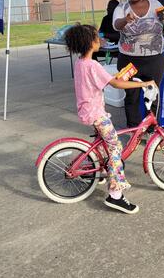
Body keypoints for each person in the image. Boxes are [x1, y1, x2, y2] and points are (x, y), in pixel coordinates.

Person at [64, 23, 155, 214]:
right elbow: (115, 84)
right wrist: (143, 84)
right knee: (115, 148)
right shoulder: (93, 64)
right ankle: (116, 195)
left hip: (87, 110)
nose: (100, 41)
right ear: (90, 43)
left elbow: (104, 79)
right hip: (97, 113)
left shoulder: (81, 63)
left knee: (105, 144)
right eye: (97, 38)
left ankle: (103, 170)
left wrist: (119, 77)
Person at [112, 0, 164, 127]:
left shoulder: (156, 5)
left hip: (154, 60)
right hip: (128, 61)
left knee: (153, 94)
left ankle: (153, 129)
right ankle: (133, 130)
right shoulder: (122, 7)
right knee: (131, 96)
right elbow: (116, 26)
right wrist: (126, 19)